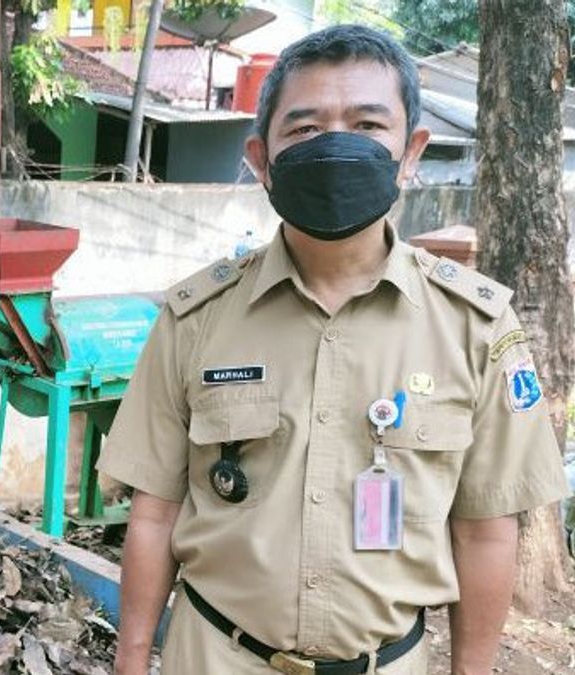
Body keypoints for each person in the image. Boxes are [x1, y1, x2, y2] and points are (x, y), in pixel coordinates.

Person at [98, 24, 570, 675]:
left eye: (368, 124)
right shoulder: (194, 318)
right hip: (213, 656)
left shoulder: (476, 326)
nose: (337, 145)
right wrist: (129, 660)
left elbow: (485, 530)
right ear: (262, 160)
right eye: (306, 128)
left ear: (411, 152)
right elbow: (155, 513)